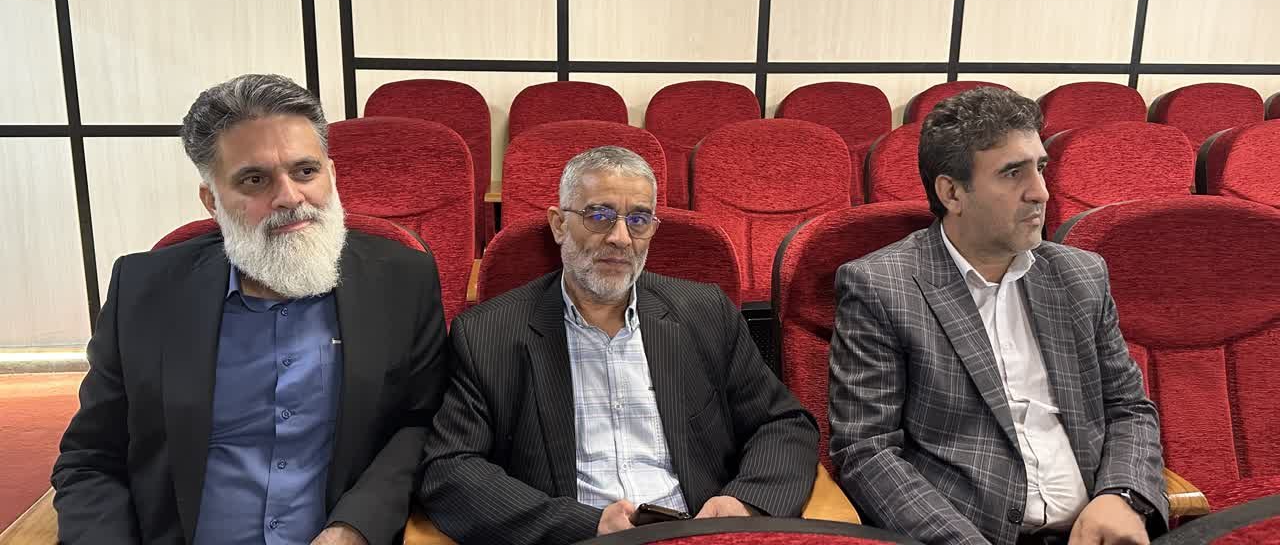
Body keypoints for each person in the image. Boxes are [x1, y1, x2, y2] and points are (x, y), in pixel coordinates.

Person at [52, 74, 449, 545]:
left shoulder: (402, 281)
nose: (289, 197)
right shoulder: (144, 291)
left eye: (306, 171)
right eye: (254, 180)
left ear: (332, 174)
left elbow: (419, 425)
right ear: (211, 201)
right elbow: (91, 457)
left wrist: (355, 527)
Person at [418, 146, 818, 544]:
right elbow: (451, 469)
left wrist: (743, 502)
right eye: (599, 216)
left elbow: (782, 424)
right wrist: (584, 525)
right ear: (559, 225)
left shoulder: (705, 313)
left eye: (638, 220)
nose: (620, 238)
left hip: (699, 534)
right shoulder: (488, 334)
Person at [829, 88, 1167, 545]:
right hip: (968, 533)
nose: (1040, 192)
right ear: (952, 192)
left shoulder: (1080, 275)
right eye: (1012, 173)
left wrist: (1122, 495)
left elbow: (1128, 408)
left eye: (1040, 167)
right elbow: (867, 452)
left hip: (1097, 529)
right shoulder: (882, 287)